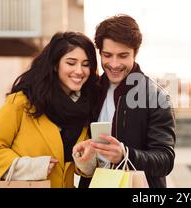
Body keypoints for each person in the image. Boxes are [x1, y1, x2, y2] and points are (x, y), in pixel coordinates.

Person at [0, 31, 99, 188]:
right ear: (55, 65)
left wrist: (86, 161)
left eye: (86, 64)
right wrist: (33, 168)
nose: (79, 71)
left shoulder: (85, 107)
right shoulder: (22, 102)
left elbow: (77, 167)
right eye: (71, 62)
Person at [73, 14, 176, 188]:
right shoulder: (90, 90)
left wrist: (125, 155)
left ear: (135, 53)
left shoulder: (156, 97)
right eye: (107, 55)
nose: (114, 64)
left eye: (122, 56)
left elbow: (165, 160)